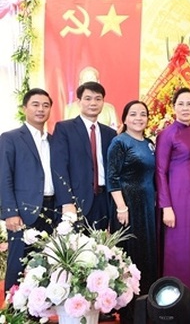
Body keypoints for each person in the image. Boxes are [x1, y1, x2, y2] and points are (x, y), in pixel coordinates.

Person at [0, 88, 57, 292]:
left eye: (45, 105)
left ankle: (39, 312)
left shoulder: (53, 140)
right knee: (19, 261)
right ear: (25, 108)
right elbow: (4, 176)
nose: (41, 109)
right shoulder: (11, 138)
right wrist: (10, 212)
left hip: (52, 210)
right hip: (23, 212)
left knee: (46, 263)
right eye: (35, 104)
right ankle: (14, 312)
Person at [106, 100, 158, 324]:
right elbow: (112, 177)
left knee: (146, 256)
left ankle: (145, 307)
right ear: (125, 118)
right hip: (127, 208)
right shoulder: (119, 142)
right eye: (133, 114)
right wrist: (121, 206)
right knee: (130, 257)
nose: (139, 118)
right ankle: (128, 312)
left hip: (146, 206)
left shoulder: (148, 143)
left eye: (143, 114)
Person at [155, 87, 190, 293]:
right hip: (176, 199)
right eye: (181, 104)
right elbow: (160, 172)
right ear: (174, 107)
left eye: (189, 104)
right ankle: (173, 298)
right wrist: (166, 206)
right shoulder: (167, 134)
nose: (185, 108)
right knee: (178, 248)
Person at [52, 81, 117, 230]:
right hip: (76, 201)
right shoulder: (64, 129)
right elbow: (59, 167)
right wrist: (67, 202)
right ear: (79, 102)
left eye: (98, 99)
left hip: (103, 201)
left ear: (103, 102)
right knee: (77, 250)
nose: (93, 103)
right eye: (88, 99)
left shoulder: (110, 133)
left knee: (101, 249)